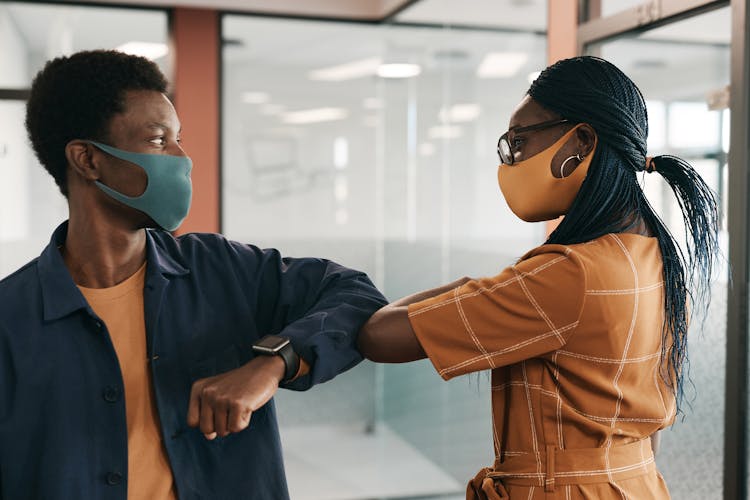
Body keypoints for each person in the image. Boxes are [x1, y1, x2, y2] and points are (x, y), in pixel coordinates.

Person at [0, 50, 387, 500]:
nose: (183, 158)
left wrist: (272, 363)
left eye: (178, 139)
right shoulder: (11, 321)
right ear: (88, 160)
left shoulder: (221, 269)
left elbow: (356, 295)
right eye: (159, 141)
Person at [358, 56, 719, 499]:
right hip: (636, 484)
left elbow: (378, 335)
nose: (511, 160)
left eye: (518, 141)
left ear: (581, 141)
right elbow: (648, 430)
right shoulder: (657, 255)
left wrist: (471, 290)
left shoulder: (568, 273)